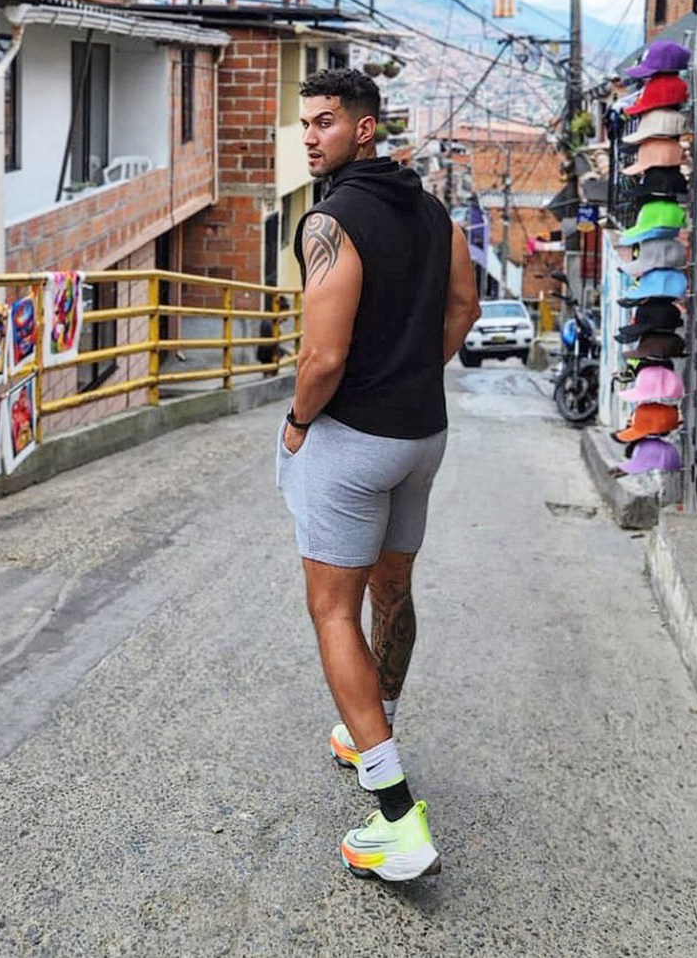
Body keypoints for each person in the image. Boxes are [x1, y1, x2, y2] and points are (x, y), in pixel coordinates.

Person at [276, 68, 480, 882]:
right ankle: (373, 727)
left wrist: (296, 426)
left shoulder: (330, 222)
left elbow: (321, 356)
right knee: (393, 589)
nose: (311, 136)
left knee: (333, 611)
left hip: (351, 441)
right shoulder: (435, 213)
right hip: (420, 437)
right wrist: (410, 373)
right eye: (306, 124)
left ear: (364, 130)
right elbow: (463, 306)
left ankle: (397, 817)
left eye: (324, 122)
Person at [256, 295, 291, 372]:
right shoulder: (270, 323)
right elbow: (270, 345)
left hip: (266, 357)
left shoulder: (271, 321)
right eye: (287, 312)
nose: (288, 316)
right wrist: (284, 352)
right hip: (268, 358)